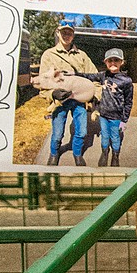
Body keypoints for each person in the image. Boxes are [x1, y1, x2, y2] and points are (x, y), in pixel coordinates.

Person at [37, 19, 97, 166]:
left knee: (82, 132)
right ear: (58, 33)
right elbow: (43, 83)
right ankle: (54, 153)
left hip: (78, 98)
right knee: (57, 134)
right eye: (63, 32)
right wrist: (53, 94)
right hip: (60, 101)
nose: (66, 35)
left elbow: (94, 76)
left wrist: (94, 95)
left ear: (73, 35)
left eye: (69, 32)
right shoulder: (49, 55)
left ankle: (77, 154)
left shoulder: (81, 55)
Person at [96, 47, 133, 167]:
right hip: (103, 115)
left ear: (122, 62)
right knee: (105, 136)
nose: (113, 63)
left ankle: (115, 155)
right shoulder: (103, 76)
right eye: (110, 60)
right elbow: (88, 76)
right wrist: (72, 74)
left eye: (116, 60)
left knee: (115, 137)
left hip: (116, 117)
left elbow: (128, 102)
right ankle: (104, 152)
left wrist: (124, 120)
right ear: (105, 62)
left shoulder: (126, 81)